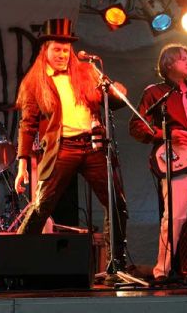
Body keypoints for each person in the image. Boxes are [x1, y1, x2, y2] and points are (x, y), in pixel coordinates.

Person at [14, 17, 128, 275]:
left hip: (94, 146)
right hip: (62, 148)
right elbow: (27, 124)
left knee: (116, 202)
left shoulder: (87, 72)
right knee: (42, 205)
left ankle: (115, 267)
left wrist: (117, 93)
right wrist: (22, 165)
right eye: (57, 49)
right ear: (45, 50)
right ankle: (17, 262)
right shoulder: (35, 81)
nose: (62, 55)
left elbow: (111, 102)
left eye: (66, 50)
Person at [129, 43, 187, 280]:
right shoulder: (154, 93)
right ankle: (162, 272)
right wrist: (168, 134)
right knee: (174, 219)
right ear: (168, 64)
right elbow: (136, 127)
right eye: (182, 58)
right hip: (175, 165)